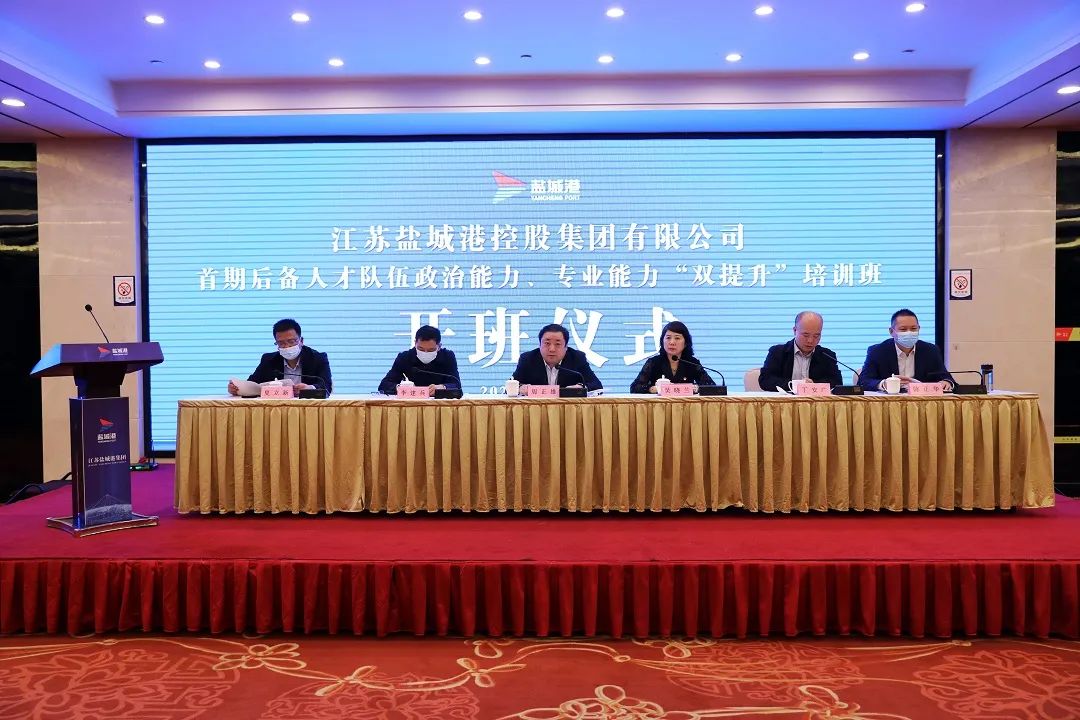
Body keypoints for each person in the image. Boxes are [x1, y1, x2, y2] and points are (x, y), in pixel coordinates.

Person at [227, 318, 332, 396]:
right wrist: (236, 389)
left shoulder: (318, 358)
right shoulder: (269, 360)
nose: (286, 346)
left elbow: (326, 386)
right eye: (281, 343)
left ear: (301, 341)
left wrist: (310, 388)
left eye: (291, 341)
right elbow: (252, 384)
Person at [858, 308, 953, 391]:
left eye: (913, 328)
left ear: (919, 329)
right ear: (891, 332)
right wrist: (884, 384)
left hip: (922, 400)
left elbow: (946, 377)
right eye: (903, 329)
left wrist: (946, 382)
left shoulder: (930, 351)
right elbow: (863, 381)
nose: (909, 333)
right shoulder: (877, 351)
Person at [758, 311, 843, 392]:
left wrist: (813, 385)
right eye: (806, 335)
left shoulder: (827, 355)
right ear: (795, 331)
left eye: (816, 336)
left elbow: (837, 382)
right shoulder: (777, 352)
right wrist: (796, 385)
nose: (810, 340)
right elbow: (765, 380)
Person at [512, 323, 602, 392]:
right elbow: (511, 385)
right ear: (540, 345)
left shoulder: (577, 358)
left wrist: (581, 387)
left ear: (566, 347)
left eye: (558, 344)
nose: (552, 349)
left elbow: (596, 384)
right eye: (547, 343)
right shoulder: (527, 359)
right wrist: (520, 388)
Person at [629, 320, 714, 393]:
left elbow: (712, 387)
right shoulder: (654, 362)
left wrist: (696, 388)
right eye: (668, 338)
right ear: (662, 341)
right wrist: (653, 389)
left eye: (677, 338)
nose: (672, 342)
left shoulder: (692, 363)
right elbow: (634, 387)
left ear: (685, 343)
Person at [378, 325, 461, 394]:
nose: (425, 352)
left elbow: (456, 385)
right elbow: (384, 385)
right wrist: (400, 388)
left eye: (431, 350)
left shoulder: (447, 356)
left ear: (439, 346)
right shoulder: (404, 357)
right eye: (421, 349)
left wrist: (442, 387)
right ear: (415, 343)